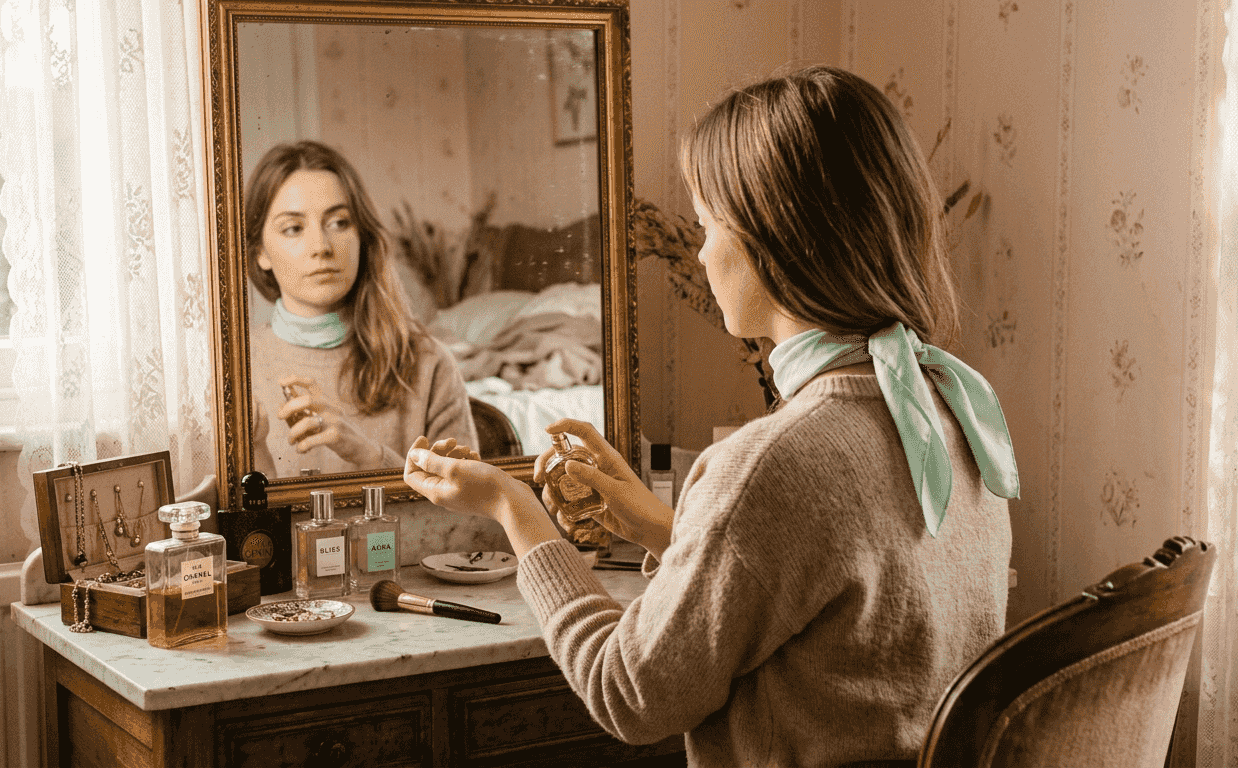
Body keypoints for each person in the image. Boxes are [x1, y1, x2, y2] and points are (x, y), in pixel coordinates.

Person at [402, 65, 1018, 767]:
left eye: (706, 226)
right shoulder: (952, 410)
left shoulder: (773, 462)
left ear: (774, 239)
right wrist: (653, 522)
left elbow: (629, 695)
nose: (698, 254)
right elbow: (826, 604)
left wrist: (514, 511)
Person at [245, 140, 477, 478]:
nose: (321, 247)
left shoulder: (430, 364)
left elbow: (473, 518)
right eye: (293, 228)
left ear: (362, 238)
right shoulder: (234, 372)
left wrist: (368, 455)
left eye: (339, 223)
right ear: (260, 254)